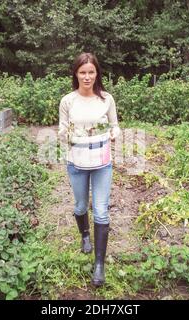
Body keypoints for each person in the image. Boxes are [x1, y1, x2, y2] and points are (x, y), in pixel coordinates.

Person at [58, 52, 121, 286]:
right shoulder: (67, 101)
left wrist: (113, 133)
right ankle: (85, 235)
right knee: (81, 205)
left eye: (91, 72)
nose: (87, 77)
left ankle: (99, 265)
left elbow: (115, 127)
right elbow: (62, 129)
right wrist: (68, 133)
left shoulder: (106, 99)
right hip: (76, 161)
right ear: (76, 74)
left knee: (102, 211)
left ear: (97, 73)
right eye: (82, 72)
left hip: (102, 161)